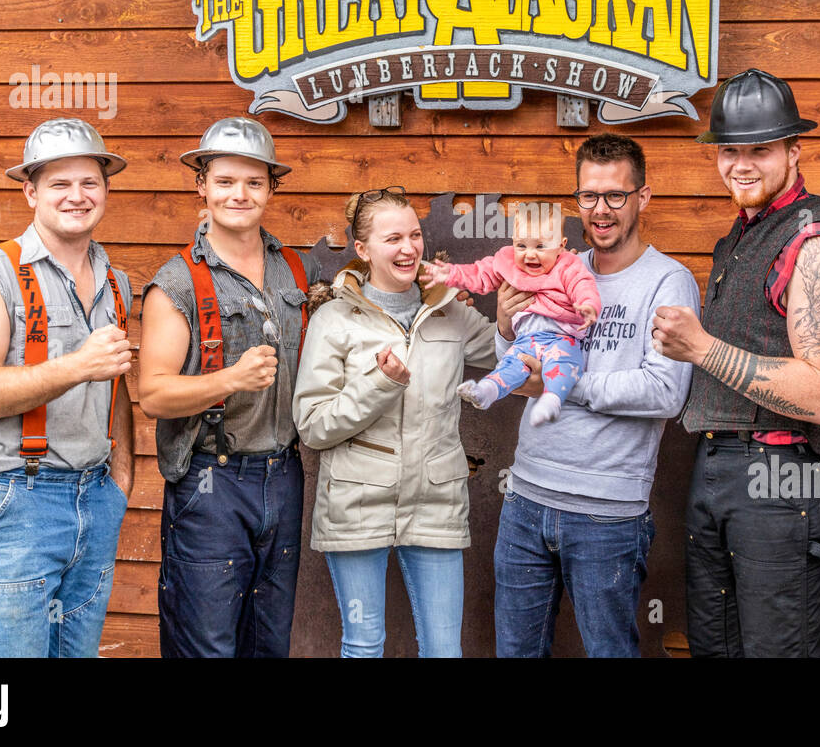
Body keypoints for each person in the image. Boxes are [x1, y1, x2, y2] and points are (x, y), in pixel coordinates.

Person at [651, 68, 820, 658]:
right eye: (729, 150)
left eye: (760, 150)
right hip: (719, 464)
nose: (741, 164)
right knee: (714, 649)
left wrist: (701, 348)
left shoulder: (817, 241)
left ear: (795, 151)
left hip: (785, 475)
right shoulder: (742, 234)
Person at [492, 134, 699, 657]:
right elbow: (520, 370)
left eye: (615, 196)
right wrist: (503, 327)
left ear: (642, 197)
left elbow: (663, 392)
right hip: (525, 499)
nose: (600, 210)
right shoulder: (557, 268)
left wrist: (565, 384)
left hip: (608, 513)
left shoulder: (667, 282)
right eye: (589, 197)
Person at [0, 118, 134, 658]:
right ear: (30, 191)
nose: (78, 196)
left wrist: (121, 474)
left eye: (90, 182)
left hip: (93, 498)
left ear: (106, 189)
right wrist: (76, 365)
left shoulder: (115, 281)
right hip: (12, 503)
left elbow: (115, 381)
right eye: (59, 184)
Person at [138, 117, 321, 658]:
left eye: (254, 182)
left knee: (268, 642)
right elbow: (153, 393)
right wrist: (229, 379)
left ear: (271, 188)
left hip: (284, 475)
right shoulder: (177, 282)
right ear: (202, 185)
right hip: (211, 482)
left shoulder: (295, 269)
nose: (239, 194)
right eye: (224, 181)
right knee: (207, 645)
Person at [292, 186, 498, 657]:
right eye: (392, 239)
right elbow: (313, 425)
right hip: (356, 502)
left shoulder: (451, 312)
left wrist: (508, 320)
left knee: (444, 650)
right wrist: (380, 384)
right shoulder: (335, 319)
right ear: (362, 250)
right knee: (364, 645)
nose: (409, 248)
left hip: (436, 501)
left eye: (415, 235)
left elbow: (511, 359)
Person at [421, 201, 600, 426]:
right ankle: (486, 391)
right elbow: (479, 274)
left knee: (564, 365)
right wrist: (450, 274)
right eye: (521, 245)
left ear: (561, 246)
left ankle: (552, 400)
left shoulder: (568, 265)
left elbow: (582, 285)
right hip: (526, 339)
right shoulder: (506, 262)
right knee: (510, 366)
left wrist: (587, 305)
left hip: (561, 336)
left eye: (541, 246)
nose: (530, 255)